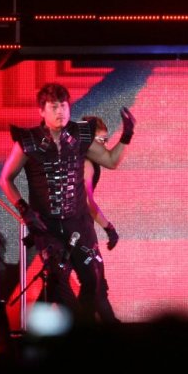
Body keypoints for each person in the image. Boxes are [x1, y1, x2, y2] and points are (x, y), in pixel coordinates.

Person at [0, 83, 135, 324]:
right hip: (47, 227)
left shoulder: (80, 136)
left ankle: (80, 328)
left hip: (79, 225)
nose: (60, 111)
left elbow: (111, 160)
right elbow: (5, 179)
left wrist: (127, 135)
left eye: (63, 105)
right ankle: (76, 331)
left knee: (93, 281)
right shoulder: (28, 141)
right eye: (54, 107)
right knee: (58, 280)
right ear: (42, 111)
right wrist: (24, 210)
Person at [81, 115, 121, 323]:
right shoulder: (86, 164)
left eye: (106, 141)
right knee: (95, 282)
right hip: (78, 228)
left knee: (93, 283)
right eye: (101, 141)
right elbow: (87, 203)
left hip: (78, 227)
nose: (104, 146)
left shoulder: (86, 161)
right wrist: (109, 228)